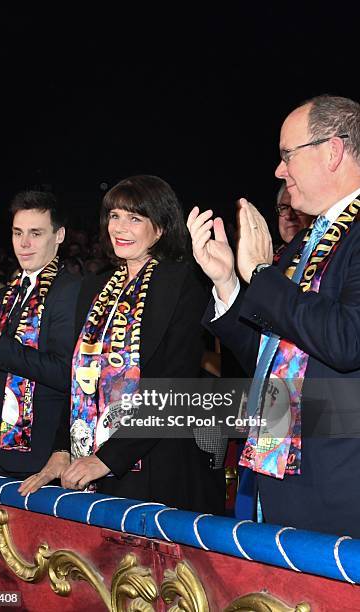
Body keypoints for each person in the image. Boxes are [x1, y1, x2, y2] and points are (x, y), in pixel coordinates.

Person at [187, 95, 360, 537]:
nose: (279, 171)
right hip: (281, 476)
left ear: (333, 151)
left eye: (287, 155)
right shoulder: (307, 244)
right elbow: (270, 358)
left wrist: (262, 274)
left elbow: (345, 340)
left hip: (341, 489)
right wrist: (228, 282)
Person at [20, 175, 226, 515]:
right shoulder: (94, 288)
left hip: (155, 466)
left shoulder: (182, 283)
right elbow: (80, 380)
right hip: (90, 463)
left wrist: (107, 459)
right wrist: (61, 449)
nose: (120, 227)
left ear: (159, 228)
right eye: (114, 216)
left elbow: (174, 386)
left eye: (134, 218)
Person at [0, 191, 80, 478]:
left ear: (59, 235)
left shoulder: (71, 291)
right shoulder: (6, 295)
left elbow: (66, 373)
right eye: (17, 232)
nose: (24, 243)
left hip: (43, 456)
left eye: (36, 233)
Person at [273, 182, 314, 262]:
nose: (289, 216)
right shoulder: (267, 261)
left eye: (296, 208)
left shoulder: (325, 257)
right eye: (283, 208)